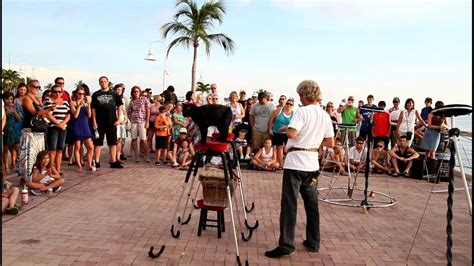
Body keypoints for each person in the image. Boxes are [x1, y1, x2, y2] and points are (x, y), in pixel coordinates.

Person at [265, 80, 334, 258]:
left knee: (289, 204)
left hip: (295, 163)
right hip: (312, 164)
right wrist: (314, 140)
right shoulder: (325, 115)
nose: (299, 99)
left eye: (300, 95)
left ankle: (287, 244)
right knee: (312, 205)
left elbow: (292, 134)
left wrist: (288, 127)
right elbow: (330, 142)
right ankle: (313, 242)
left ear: (305, 94)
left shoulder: (302, 111)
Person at [91, 76, 124, 169]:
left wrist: (119, 118)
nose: (103, 83)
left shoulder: (114, 94)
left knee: (113, 142)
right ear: (99, 83)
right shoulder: (96, 94)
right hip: (99, 122)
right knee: (98, 143)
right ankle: (96, 161)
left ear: (108, 82)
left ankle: (113, 161)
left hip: (112, 122)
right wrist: (94, 121)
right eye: (101, 82)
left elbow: (120, 105)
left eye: (105, 81)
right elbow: (93, 109)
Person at [43, 84, 71, 175]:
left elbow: (68, 114)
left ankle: (57, 170)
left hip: (63, 127)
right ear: (52, 92)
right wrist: (57, 123)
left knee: (60, 149)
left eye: (59, 91)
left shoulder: (65, 102)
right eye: (55, 91)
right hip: (53, 127)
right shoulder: (48, 101)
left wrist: (63, 123)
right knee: (52, 150)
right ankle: (51, 170)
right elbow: (48, 114)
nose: (57, 93)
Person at [69, 86, 94, 172]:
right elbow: (75, 115)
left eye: (83, 94)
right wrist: (79, 106)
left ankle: (89, 164)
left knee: (90, 147)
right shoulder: (72, 103)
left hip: (85, 125)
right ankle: (79, 165)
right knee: (77, 147)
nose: (81, 95)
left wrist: (88, 105)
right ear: (76, 94)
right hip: (76, 125)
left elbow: (89, 115)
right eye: (79, 93)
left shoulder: (86, 103)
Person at [268, 97, 294, 169]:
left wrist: (286, 127)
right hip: (277, 132)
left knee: (288, 149)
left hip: (287, 133)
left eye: (290, 104)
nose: (288, 105)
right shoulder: (279, 110)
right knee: (279, 148)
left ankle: (288, 164)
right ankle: (281, 164)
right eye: (287, 103)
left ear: (292, 106)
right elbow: (271, 119)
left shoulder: (293, 114)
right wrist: (270, 129)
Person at [128, 86, 151, 163]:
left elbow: (148, 110)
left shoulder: (144, 99)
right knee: (134, 139)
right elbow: (129, 112)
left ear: (140, 92)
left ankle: (147, 155)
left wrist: (147, 121)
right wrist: (130, 119)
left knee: (144, 139)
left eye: (137, 91)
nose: (136, 93)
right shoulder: (132, 102)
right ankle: (136, 156)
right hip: (134, 122)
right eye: (134, 91)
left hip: (142, 121)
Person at [3, 92, 22, 175]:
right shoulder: (2, 108)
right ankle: (6, 167)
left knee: (17, 149)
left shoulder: (14, 107)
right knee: (5, 150)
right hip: (5, 129)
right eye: (7, 99)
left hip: (14, 130)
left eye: (11, 99)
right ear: (3, 99)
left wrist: (14, 111)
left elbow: (19, 119)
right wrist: (5, 113)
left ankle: (16, 164)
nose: (9, 101)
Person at [113, 83, 128, 163]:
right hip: (115, 121)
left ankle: (118, 157)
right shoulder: (112, 98)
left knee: (120, 141)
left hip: (122, 121)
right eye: (118, 89)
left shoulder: (122, 99)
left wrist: (125, 118)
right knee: (114, 140)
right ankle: (113, 157)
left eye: (121, 90)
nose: (119, 91)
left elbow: (123, 110)